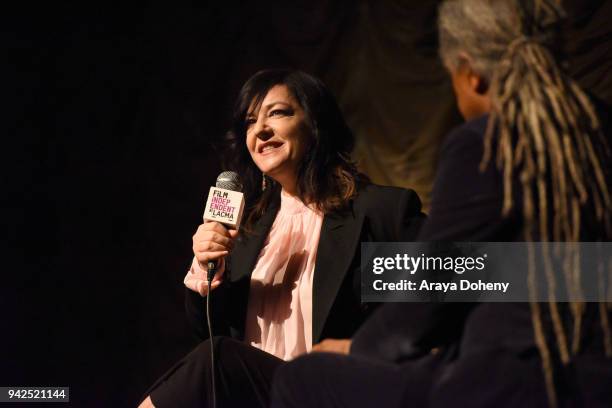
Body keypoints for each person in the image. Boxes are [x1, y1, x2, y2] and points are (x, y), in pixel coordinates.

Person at [270, 1, 612, 407]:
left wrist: (356, 347)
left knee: (303, 377)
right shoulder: (598, 133)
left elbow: (430, 296)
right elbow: (571, 267)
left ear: (471, 75)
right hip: (595, 369)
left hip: (517, 381)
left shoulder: (485, 143)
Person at [138, 69, 425, 408]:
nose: (260, 129)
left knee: (218, 360)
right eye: (249, 121)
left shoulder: (375, 211)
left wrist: (363, 350)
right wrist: (206, 267)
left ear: (315, 124)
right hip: (260, 398)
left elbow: (482, 278)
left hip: (336, 394)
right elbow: (208, 328)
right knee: (216, 357)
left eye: (277, 112)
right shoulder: (248, 229)